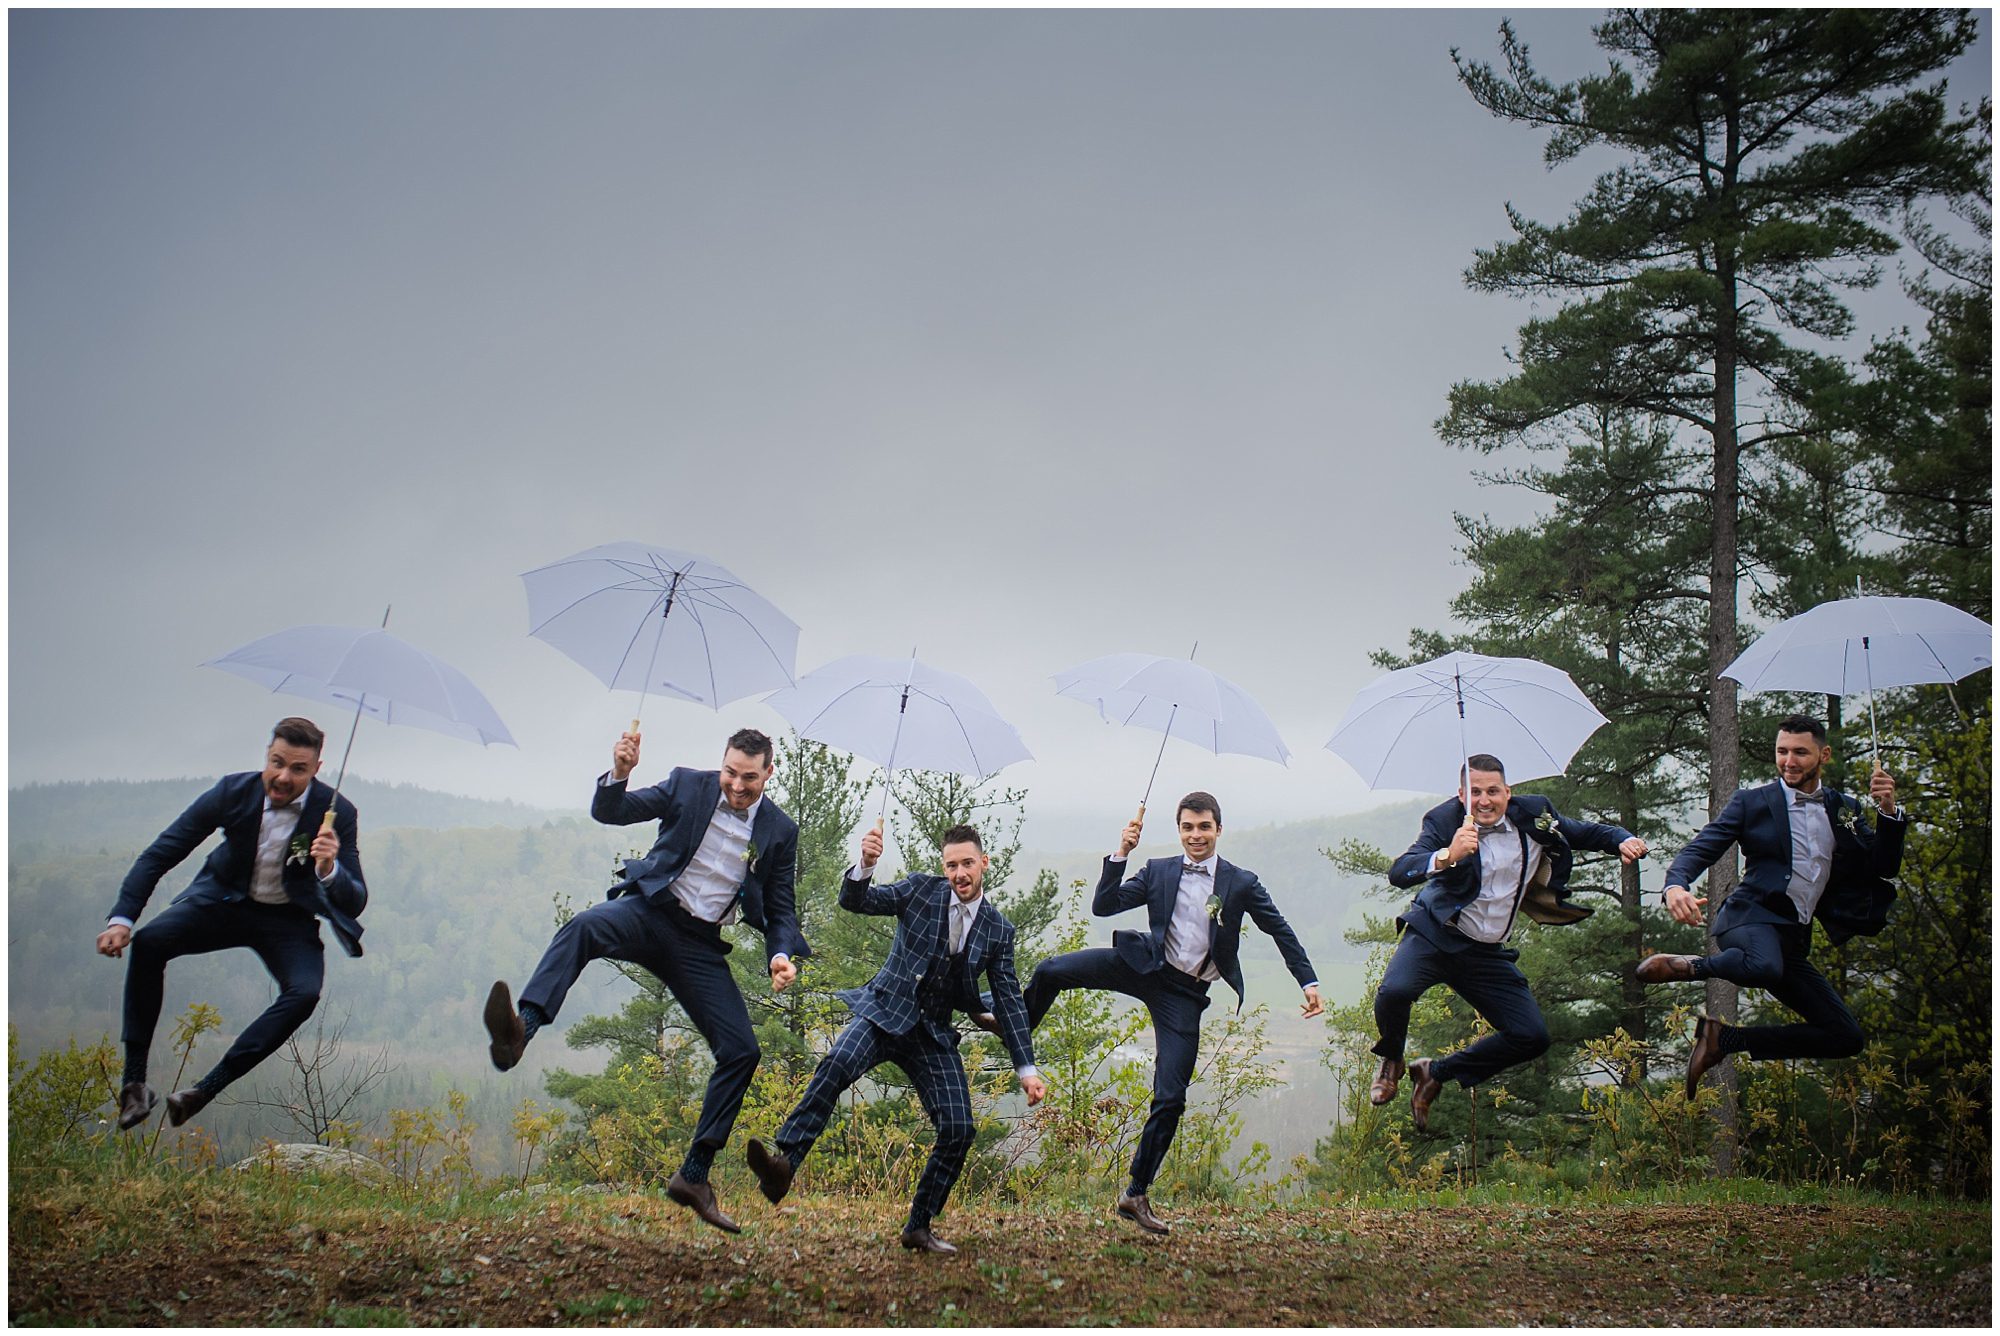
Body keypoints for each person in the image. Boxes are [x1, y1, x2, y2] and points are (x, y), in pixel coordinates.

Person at [483, 727, 806, 1234]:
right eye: (730, 773)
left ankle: (694, 1175)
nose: (736, 786)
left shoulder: (780, 831)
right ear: (721, 764)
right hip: (650, 912)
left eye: (749, 777)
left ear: (768, 772)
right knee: (584, 927)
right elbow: (610, 811)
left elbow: (781, 908)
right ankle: (521, 1029)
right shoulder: (687, 785)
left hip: (699, 945)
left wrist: (781, 954)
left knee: (742, 1051)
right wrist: (620, 773)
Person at [1022, 791, 1320, 1235]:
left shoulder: (1240, 883)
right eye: (1187, 827)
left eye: (1204, 827)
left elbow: (1280, 930)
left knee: (1171, 1097)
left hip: (1184, 994)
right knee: (1050, 970)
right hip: (1142, 964)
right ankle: (1016, 1025)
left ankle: (1135, 1193)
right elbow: (1104, 906)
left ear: (1219, 829)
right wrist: (1122, 852)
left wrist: (1308, 982)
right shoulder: (1159, 870)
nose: (1195, 836)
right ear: (1179, 830)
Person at [744, 823, 1045, 1255]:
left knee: (959, 1128)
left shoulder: (998, 930)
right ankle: (784, 1165)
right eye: (951, 865)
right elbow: (857, 901)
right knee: (836, 1064)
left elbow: (1009, 1001)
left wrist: (1026, 1068)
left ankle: (918, 1226)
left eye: (967, 864)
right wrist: (866, 864)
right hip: (885, 1011)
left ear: (984, 863)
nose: (959, 873)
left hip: (932, 1033)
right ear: (943, 866)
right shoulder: (920, 890)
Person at [98, 717, 367, 1130]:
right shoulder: (232, 792)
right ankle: (134, 1084)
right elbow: (160, 854)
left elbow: (356, 900)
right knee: (150, 942)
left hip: (286, 920)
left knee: (305, 992)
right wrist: (122, 919)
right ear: (267, 755)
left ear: (316, 769)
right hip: (223, 900)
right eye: (277, 763)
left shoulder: (337, 813)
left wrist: (328, 868)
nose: (283, 776)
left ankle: (204, 1090)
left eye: (297, 769)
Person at [1372, 754, 1646, 1130]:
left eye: (1493, 791)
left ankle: (1434, 1073)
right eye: (1475, 792)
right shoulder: (1444, 821)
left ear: (1508, 792)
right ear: (1461, 795)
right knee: (1394, 992)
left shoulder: (1535, 815)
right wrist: (1449, 855)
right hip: (1435, 935)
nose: (1484, 801)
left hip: (1485, 952)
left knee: (1531, 1036)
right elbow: (1400, 872)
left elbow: (1584, 832)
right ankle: (1392, 1059)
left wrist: (1622, 840)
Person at [1639, 714, 1905, 1098]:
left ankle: (1723, 1039)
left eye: (1800, 753)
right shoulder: (1753, 802)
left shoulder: (1843, 808)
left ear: (1824, 755)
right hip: (1748, 919)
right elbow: (1703, 847)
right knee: (1763, 966)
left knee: (1845, 1036)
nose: (1788, 761)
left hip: (1791, 939)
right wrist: (1674, 886)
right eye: (1782, 752)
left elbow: (1884, 866)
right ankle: (1692, 966)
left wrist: (1888, 811)